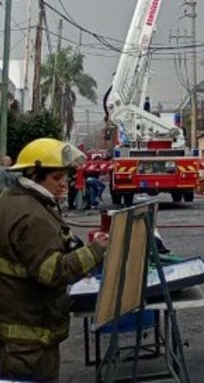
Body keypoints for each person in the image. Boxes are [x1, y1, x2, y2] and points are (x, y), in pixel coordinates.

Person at [0, 138, 108, 381]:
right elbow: (51, 272)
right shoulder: (33, 215)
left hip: (16, 331)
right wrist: (94, 252)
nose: (64, 184)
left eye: (64, 177)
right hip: (29, 340)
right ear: (34, 175)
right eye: (56, 178)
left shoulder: (14, 199)